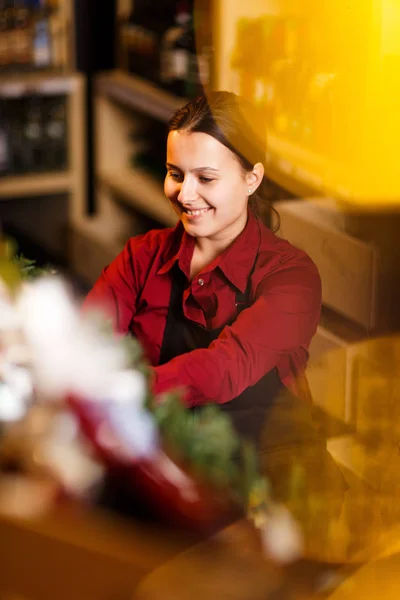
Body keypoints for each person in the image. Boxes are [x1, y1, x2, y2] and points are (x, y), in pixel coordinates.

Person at [84, 92, 347, 536]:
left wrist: (127, 391)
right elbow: (88, 340)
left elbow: (225, 368)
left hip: (273, 476)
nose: (185, 194)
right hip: (173, 465)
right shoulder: (142, 257)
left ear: (252, 178)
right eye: (175, 174)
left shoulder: (292, 277)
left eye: (206, 178)